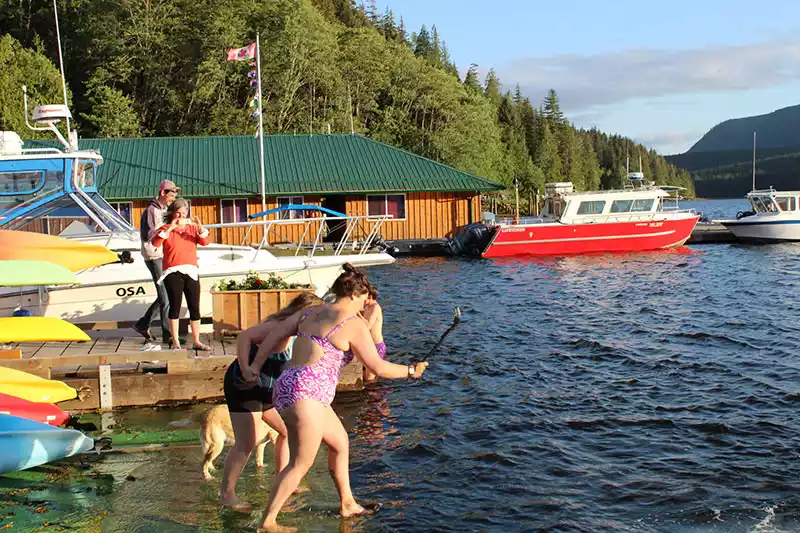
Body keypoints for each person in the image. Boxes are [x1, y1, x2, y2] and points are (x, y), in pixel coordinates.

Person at [243, 263, 428, 532]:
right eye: (364, 299)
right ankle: (267, 522)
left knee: (340, 443)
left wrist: (256, 366)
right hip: (307, 394)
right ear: (353, 295)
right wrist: (411, 371)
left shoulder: (310, 311)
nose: (365, 304)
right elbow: (378, 367)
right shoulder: (353, 324)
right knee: (300, 463)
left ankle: (348, 503)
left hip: (289, 386)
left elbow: (275, 335)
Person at [219, 292, 324, 511]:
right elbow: (245, 336)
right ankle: (226, 495)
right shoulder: (277, 326)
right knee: (246, 442)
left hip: (267, 389)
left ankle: (283, 481)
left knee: (285, 431)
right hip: (244, 385)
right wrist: (246, 368)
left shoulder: (299, 333)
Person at [151, 198, 211, 351]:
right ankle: (176, 341)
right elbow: (155, 243)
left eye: (184, 213)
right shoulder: (166, 228)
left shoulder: (192, 228)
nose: (181, 216)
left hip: (191, 270)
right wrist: (171, 227)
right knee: (175, 306)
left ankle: (196, 341)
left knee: (194, 307)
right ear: (172, 213)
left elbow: (205, 242)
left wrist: (200, 228)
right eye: (178, 213)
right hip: (173, 271)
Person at [133, 179, 180, 346]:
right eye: (171, 195)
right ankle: (166, 334)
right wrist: (172, 227)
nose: (173, 198)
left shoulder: (161, 209)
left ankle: (144, 324)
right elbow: (156, 233)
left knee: (164, 295)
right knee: (164, 297)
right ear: (163, 193)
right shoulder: (153, 210)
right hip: (154, 255)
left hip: (159, 254)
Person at [361, 287, 385, 383]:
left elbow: (368, 325)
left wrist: (358, 314)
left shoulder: (376, 308)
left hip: (377, 346)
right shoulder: (367, 307)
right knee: (365, 377)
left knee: (370, 379)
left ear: (370, 296)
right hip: (368, 346)